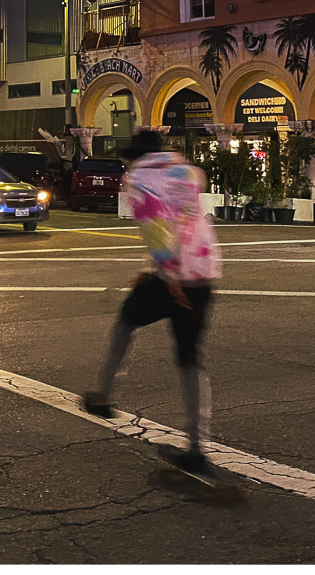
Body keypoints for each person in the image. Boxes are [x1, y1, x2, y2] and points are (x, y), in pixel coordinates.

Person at [82, 129, 222, 474]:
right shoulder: (186, 171)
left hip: (173, 274)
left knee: (126, 321)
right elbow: (184, 219)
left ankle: (104, 394)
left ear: (132, 157)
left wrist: (168, 273)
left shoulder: (139, 178)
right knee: (190, 357)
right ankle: (197, 447)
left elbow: (156, 226)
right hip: (204, 268)